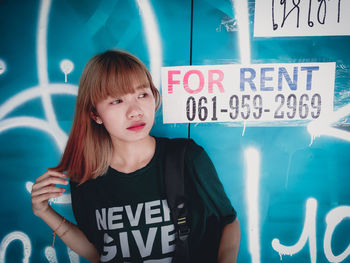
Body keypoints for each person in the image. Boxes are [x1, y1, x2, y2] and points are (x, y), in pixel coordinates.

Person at [31, 50, 240, 263]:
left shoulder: (186, 158)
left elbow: (228, 221)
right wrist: (43, 211)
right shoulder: (86, 176)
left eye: (142, 95)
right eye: (117, 101)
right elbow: (99, 251)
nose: (135, 111)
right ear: (95, 114)